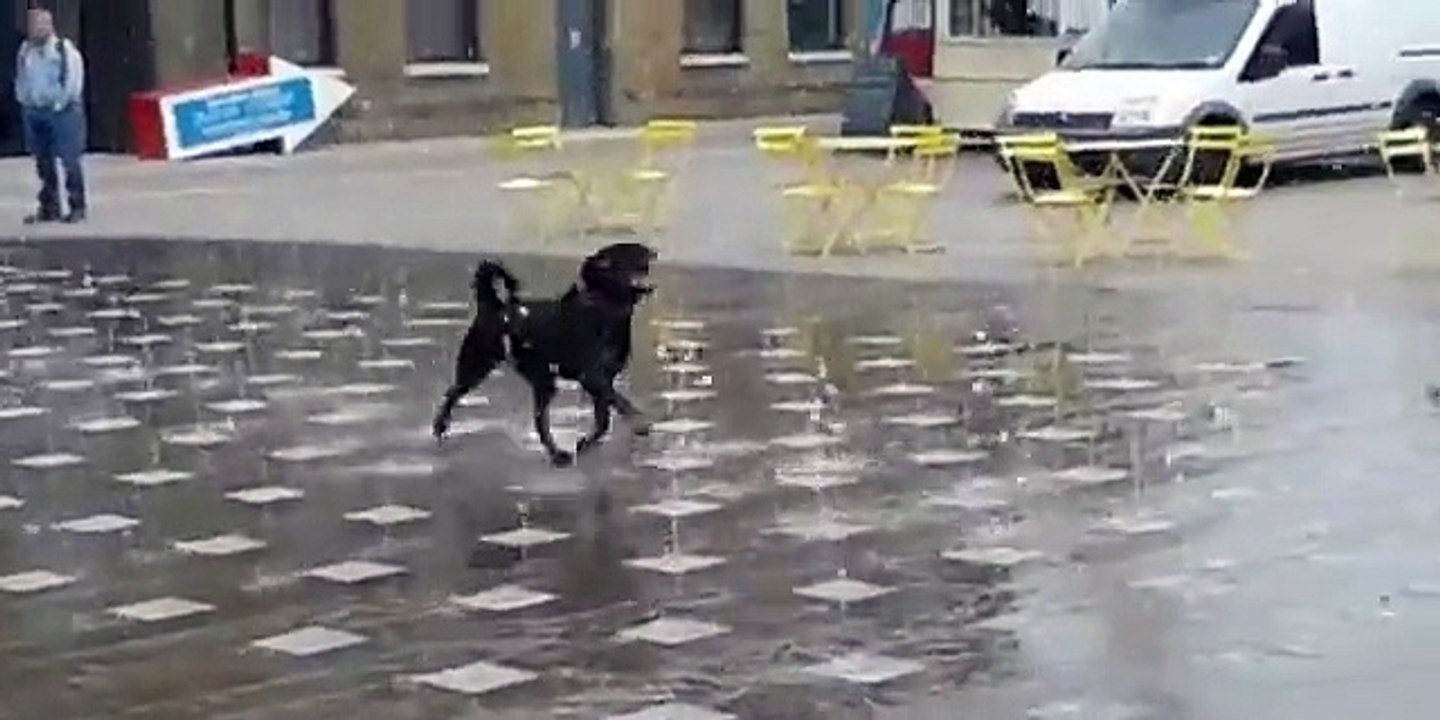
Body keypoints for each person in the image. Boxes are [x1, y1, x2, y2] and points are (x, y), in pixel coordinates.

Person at [14, 8, 85, 224]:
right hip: (35, 111)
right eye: (34, 25)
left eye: (42, 24)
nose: (37, 29)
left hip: (62, 113)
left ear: (50, 25)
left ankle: (77, 206)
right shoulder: (26, 50)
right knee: (43, 162)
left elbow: (74, 80)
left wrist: (59, 103)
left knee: (69, 160)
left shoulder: (64, 50)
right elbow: (22, 76)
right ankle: (49, 206)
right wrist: (24, 100)